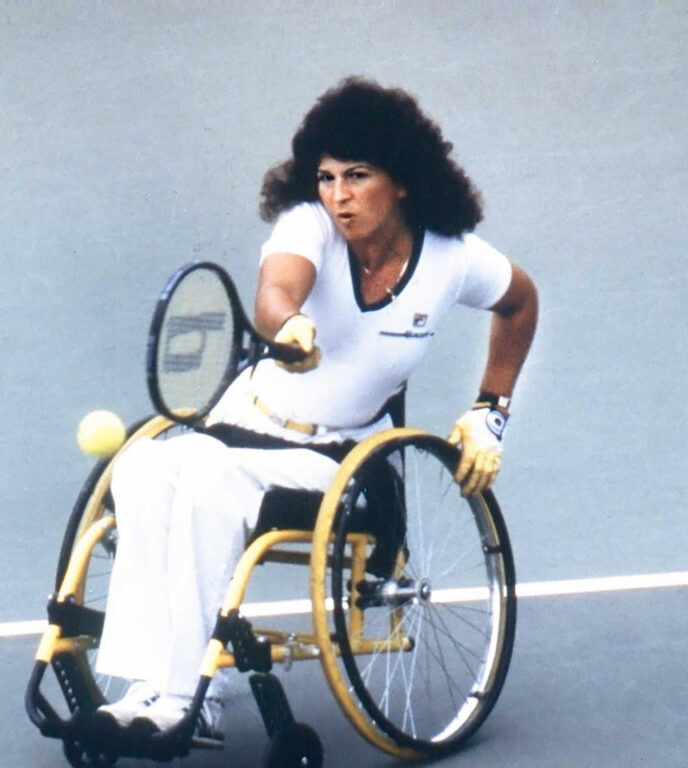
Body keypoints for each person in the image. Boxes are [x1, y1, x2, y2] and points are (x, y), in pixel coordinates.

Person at [93, 76, 538, 743]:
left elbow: (520, 302)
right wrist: (287, 326)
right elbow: (277, 290)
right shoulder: (310, 225)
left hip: (339, 460)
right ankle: (147, 686)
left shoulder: (453, 259)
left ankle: (184, 696)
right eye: (327, 178)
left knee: (207, 481)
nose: (338, 195)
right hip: (242, 427)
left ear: (405, 181)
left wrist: (489, 412)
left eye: (358, 176)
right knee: (141, 471)